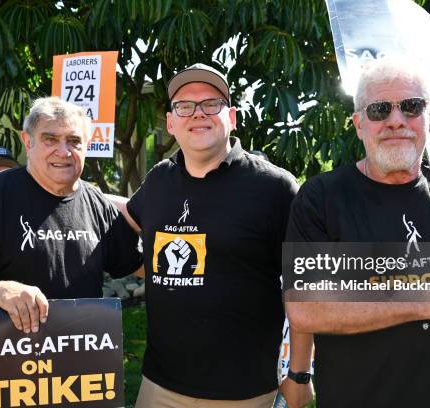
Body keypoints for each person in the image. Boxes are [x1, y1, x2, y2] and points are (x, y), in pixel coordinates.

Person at [282, 59, 430, 407]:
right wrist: (427, 299)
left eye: (411, 107)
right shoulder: (322, 198)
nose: (395, 121)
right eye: (379, 109)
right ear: (358, 124)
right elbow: (306, 310)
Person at [120, 63, 299, 407]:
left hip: (246, 392)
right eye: (185, 106)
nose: (198, 114)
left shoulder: (274, 186)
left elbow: (302, 285)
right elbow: (126, 216)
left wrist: (300, 372)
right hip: (159, 387)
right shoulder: (159, 180)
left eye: (211, 104)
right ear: (171, 122)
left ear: (231, 117)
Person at [0, 97, 142, 335]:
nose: (63, 152)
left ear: (87, 145)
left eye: (74, 141)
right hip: (7, 362)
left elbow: (141, 265)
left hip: (82, 360)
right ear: (27, 141)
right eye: (50, 139)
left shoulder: (97, 204)